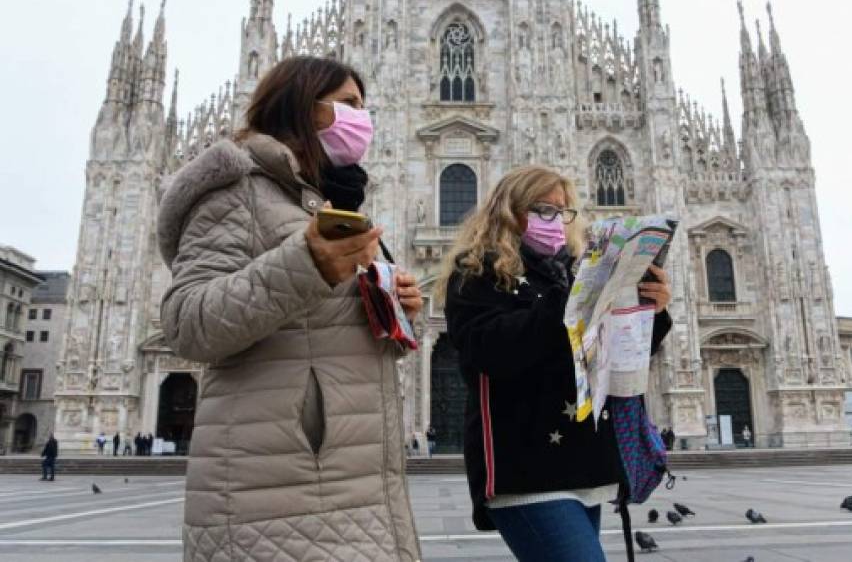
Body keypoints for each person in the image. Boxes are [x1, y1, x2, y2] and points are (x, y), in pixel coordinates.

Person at [158, 56, 423, 561]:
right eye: (348, 105)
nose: (362, 119)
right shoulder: (239, 190)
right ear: (304, 107)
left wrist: (396, 310)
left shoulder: (331, 201)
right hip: (276, 490)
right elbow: (187, 322)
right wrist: (308, 265)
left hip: (357, 482)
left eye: (365, 107)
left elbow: (320, 331)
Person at [440, 165, 672, 562]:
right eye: (542, 209)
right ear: (511, 211)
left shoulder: (569, 270)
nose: (556, 220)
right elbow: (486, 351)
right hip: (526, 468)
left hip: (581, 463)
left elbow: (606, 357)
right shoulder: (475, 272)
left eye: (562, 211)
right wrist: (572, 300)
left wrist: (650, 310)